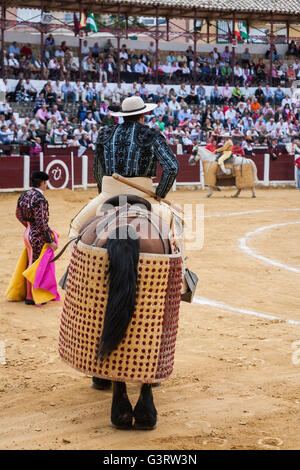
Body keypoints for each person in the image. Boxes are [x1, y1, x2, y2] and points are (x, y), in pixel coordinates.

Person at [15, 171, 58, 305]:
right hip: (37, 236)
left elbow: (18, 214)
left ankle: (31, 294)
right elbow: (41, 222)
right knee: (35, 265)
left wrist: (28, 226)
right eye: (46, 183)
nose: (46, 185)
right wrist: (49, 241)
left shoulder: (25, 195)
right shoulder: (40, 199)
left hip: (28, 233)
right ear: (43, 183)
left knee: (31, 262)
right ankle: (31, 296)